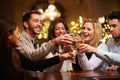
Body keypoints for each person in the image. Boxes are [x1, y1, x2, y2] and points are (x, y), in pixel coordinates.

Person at [12, 10, 74, 77]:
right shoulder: (20, 40)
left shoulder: (35, 41)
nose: (39, 24)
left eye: (41, 22)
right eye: (36, 21)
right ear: (26, 24)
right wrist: (54, 42)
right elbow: (31, 57)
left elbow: (39, 64)